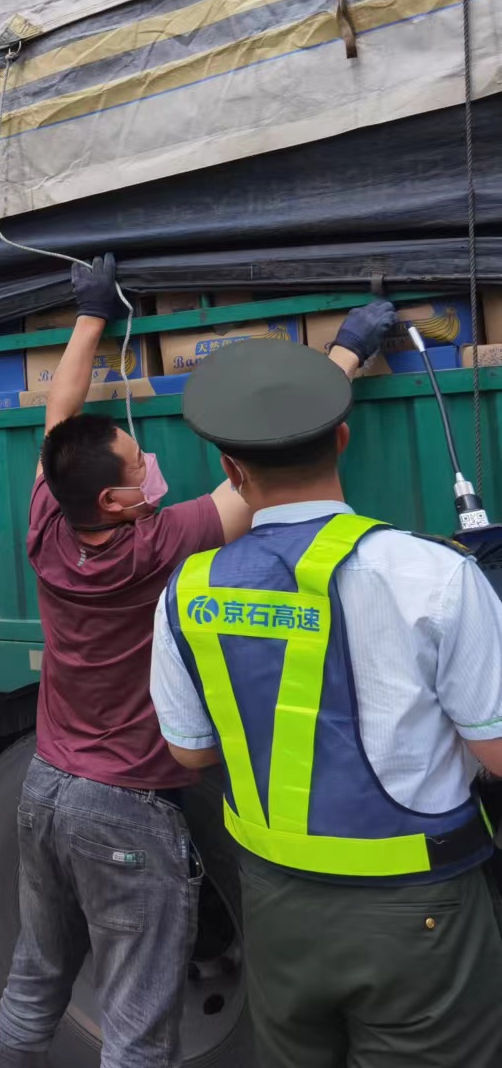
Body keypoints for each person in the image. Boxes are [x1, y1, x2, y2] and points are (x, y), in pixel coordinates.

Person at [0, 260, 388, 1068]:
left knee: (36, 975)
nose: (151, 472)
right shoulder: (152, 546)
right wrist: (344, 355)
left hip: (47, 786)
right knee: (138, 1018)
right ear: (115, 501)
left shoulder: (47, 524)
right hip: (121, 811)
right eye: (141, 469)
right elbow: (263, 474)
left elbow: (60, 414)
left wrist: (89, 315)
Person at [151, 332, 502, 1068]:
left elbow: (188, 752)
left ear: (230, 470)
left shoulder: (189, 589)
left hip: (276, 907)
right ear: (342, 440)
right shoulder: (433, 575)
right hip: (416, 913)